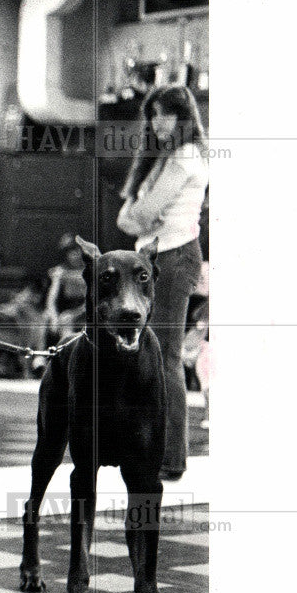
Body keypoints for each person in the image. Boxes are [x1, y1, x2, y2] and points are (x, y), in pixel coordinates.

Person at [116, 84, 209, 482]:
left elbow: (142, 211)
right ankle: (156, 450)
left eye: (165, 115)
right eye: (152, 116)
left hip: (174, 257)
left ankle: (171, 459)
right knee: (151, 356)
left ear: (184, 117)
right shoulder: (165, 158)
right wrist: (136, 214)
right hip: (157, 259)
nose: (157, 123)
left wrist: (138, 213)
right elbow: (128, 215)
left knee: (165, 357)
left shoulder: (184, 157)